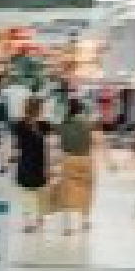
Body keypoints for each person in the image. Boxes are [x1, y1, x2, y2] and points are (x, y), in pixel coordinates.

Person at [49, 100, 98, 234]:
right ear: (81, 111)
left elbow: (56, 143)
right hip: (85, 159)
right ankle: (85, 221)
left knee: (67, 192)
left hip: (68, 159)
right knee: (86, 189)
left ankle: (67, 226)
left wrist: (53, 162)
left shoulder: (63, 124)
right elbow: (94, 141)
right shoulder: (87, 124)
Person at [12, 97, 52, 233]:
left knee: (26, 194)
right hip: (39, 162)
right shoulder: (44, 125)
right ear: (39, 109)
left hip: (25, 162)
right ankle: (39, 220)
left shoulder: (18, 125)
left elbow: (16, 147)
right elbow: (48, 146)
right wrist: (49, 165)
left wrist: (10, 159)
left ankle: (28, 223)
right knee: (40, 193)